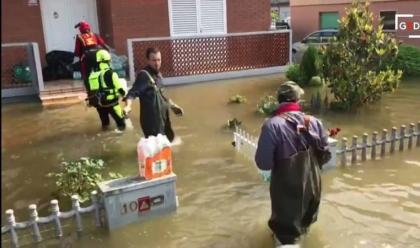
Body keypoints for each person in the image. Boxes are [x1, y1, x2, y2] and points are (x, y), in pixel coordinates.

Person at [254, 81, 330, 246]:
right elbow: (326, 155)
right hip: (313, 186)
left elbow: (263, 163)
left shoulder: (272, 126)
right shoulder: (313, 122)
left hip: (287, 192)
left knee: (286, 237)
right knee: (306, 227)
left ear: (279, 100)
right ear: (297, 100)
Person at [123, 47, 184, 142]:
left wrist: (172, 106)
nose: (157, 63)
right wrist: (128, 106)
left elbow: (162, 95)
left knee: (170, 143)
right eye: (154, 60)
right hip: (152, 123)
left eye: (159, 60)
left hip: (163, 119)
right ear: (148, 60)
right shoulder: (144, 76)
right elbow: (132, 93)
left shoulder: (159, 75)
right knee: (157, 149)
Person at [87, 49, 126, 131]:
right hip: (112, 103)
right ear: (108, 61)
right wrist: (124, 96)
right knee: (121, 124)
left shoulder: (92, 75)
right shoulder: (111, 74)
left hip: (99, 105)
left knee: (105, 125)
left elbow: (91, 91)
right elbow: (120, 89)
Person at [74, 20, 110, 89]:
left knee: (86, 74)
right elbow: (104, 45)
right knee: (100, 71)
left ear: (80, 29)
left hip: (87, 57)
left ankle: (89, 91)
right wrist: (108, 53)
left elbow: (77, 51)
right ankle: (103, 87)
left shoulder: (79, 37)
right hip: (97, 55)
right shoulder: (95, 35)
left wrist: (78, 56)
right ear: (89, 28)